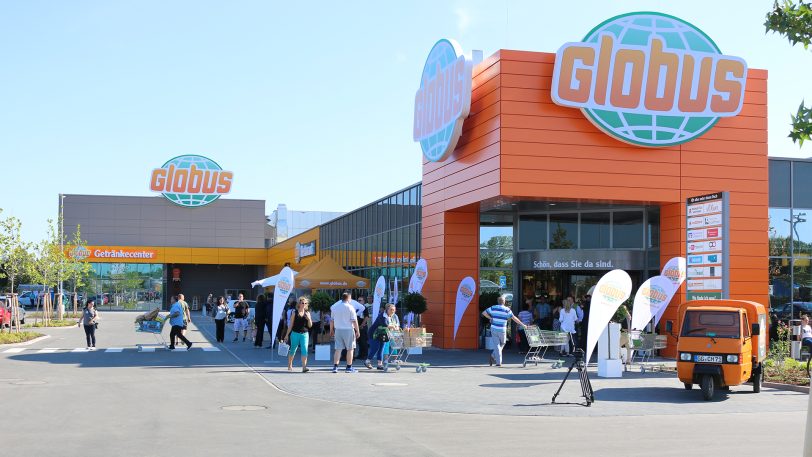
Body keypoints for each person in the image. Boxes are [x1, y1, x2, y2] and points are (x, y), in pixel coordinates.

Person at [481, 295, 527, 366]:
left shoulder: (493, 307)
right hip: (502, 329)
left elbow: (484, 313)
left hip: (493, 328)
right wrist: (522, 324)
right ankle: (498, 362)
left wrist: (490, 318)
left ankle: (493, 356)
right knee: (503, 343)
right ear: (504, 302)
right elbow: (514, 318)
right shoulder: (507, 310)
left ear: (498, 302)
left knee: (497, 345)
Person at [330, 292, 360, 373]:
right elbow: (354, 321)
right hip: (348, 329)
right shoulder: (350, 307)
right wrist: (357, 330)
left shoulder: (335, 307)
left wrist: (331, 330)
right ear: (349, 298)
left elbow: (331, 320)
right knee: (350, 349)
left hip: (338, 329)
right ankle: (349, 367)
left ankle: (335, 367)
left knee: (338, 349)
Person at [366, 303, 400, 369]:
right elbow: (384, 324)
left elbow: (396, 324)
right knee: (376, 348)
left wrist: (396, 327)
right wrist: (393, 326)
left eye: (394, 310)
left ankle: (379, 364)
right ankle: (367, 361)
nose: (392, 311)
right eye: (391, 310)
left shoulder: (392, 316)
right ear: (387, 310)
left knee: (381, 349)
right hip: (374, 334)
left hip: (384, 334)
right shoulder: (382, 315)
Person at [284, 296, 313, 372]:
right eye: (302, 303)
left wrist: (309, 319)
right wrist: (287, 335)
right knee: (293, 349)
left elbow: (310, 325)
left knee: (304, 350)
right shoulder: (294, 313)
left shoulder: (307, 313)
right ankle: (290, 364)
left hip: (304, 334)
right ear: (299, 304)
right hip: (295, 333)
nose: (304, 304)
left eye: (305, 303)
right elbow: (290, 325)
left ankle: (304, 367)